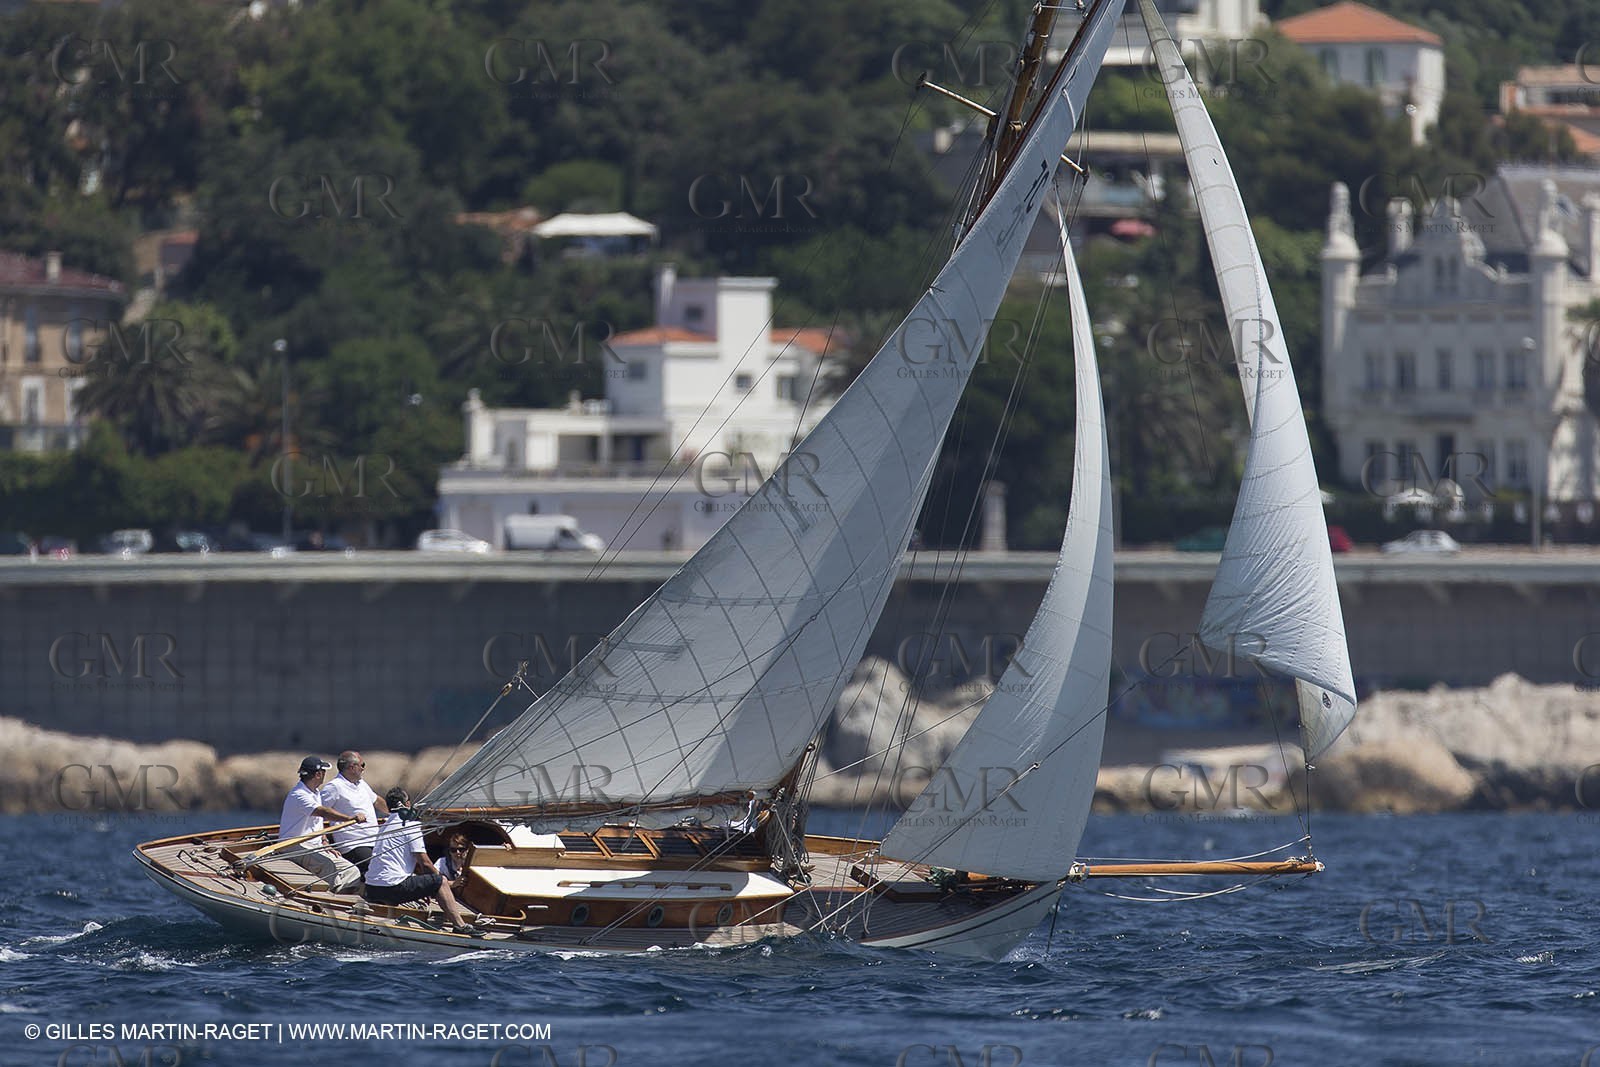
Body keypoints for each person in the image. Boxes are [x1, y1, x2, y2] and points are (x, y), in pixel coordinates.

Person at [366, 788, 480, 934]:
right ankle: (460, 926)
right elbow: (425, 863)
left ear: (388, 807)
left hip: (372, 888)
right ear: (408, 803)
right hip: (392, 887)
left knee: (427, 881)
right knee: (439, 881)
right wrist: (445, 882)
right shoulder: (410, 825)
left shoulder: (384, 826)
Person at [277, 756, 363, 893]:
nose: (324, 774)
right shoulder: (299, 794)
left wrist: (324, 841)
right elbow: (322, 812)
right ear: (318, 774)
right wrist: (348, 818)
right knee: (328, 866)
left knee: (352, 871)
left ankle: (341, 898)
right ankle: (330, 899)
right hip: (292, 845)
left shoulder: (315, 792)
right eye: (323, 771)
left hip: (315, 846)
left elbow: (317, 823)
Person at [319, 750, 388, 872]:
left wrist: (399, 814)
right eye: (362, 765)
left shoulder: (361, 784)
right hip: (354, 845)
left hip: (375, 842)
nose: (363, 769)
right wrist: (324, 841)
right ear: (352, 767)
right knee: (380, 869)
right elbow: (318, 814)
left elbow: (377, 801)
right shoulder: (334, 787)